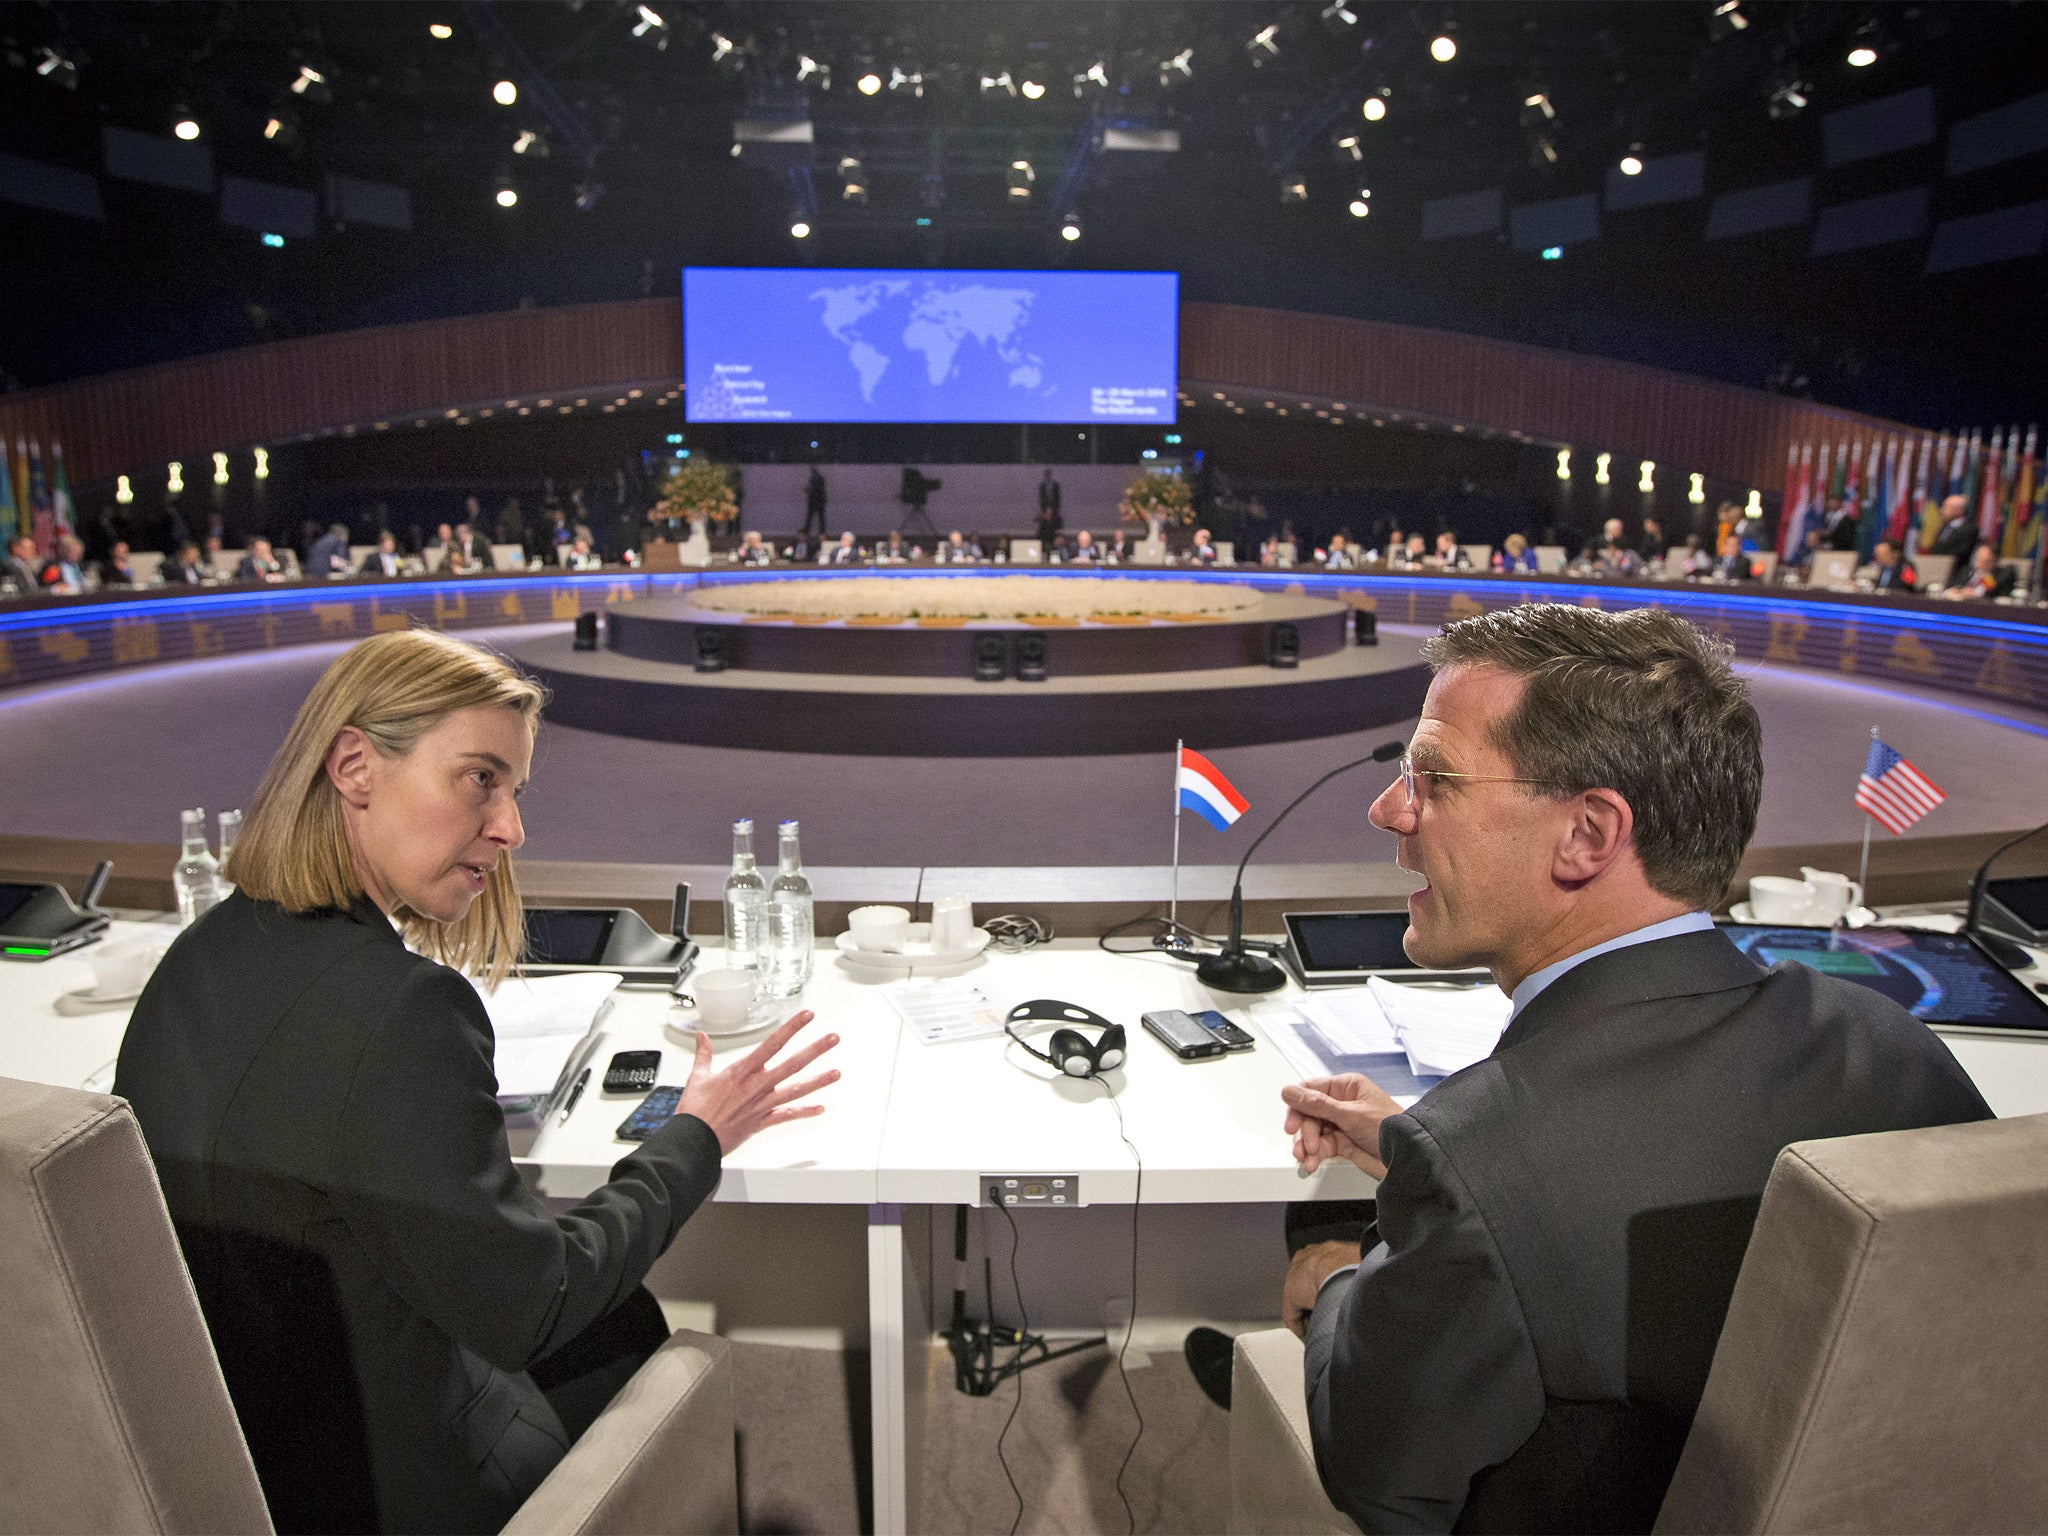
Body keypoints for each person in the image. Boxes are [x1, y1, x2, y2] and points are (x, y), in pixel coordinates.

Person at [1236, 605, 1989, 1533]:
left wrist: (1343, 1274)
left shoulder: (1484, 1155)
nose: (1390, 809)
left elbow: (1377, 1476)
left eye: (1434, 779)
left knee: (1315, 1235)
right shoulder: (1896, 1049)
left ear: (1589, 835)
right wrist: (1431, 1161)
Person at [113, 629, 839, 1534]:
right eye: (479, 779)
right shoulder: (406, 1012)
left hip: (235, 1453)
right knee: (624, 1322)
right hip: (382, 1489)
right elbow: (532, 1310)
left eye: (515, 790)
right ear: (354, 767)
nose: (512, 828)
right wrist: (693, 1137)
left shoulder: (196, 958)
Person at [1943, 544, 2016, 601]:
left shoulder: (2002, 574)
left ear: (1995, 561)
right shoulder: (1966, 571)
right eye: (1978, 559)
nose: (1979, 564)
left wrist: (1973, 592)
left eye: (1985, 561)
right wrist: (1958, 591)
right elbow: (1952, 586)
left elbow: (1987, 593)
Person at [1929, 494, 1977, 561]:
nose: (1941, 510)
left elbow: (1962, 552)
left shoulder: (1969, 529)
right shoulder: (1944, 527)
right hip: (1936, 565)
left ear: (1959, 510)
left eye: (1946, 507)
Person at [802, 465, 828, 545]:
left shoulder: (818, 478)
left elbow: (819, 489)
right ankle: (807, 531)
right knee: (812, 517)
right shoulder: (814, 478)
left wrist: (809, 490)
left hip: (817, 500)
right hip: (814, 500)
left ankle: (821, 532)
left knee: (818, 517)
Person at [1035, 468, 1062, 545]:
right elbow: (1041, 498)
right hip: (1045, 509)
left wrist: (1054, 509)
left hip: (1054, 509)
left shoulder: (1056, 485)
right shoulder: (1042, 486)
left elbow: (1058, 498)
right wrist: (1043, 510)